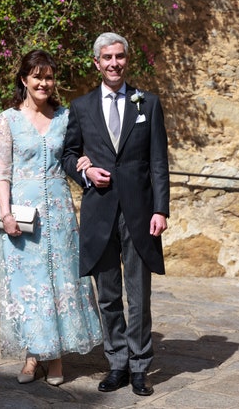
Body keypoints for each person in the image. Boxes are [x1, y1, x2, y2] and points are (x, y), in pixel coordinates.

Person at [62, 32, 169, 396]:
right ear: (96, 63)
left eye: (119, 56)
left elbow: (158, 162)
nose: (113, 63)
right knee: (107, 296)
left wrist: (161, 209)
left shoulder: (148, 103)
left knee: (139, 296)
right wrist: (86, 173)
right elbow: (67, 155)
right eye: (106, 57)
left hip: (140, 216)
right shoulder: (80, 107)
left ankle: (140, 366)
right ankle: (118, 364)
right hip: (99, 214)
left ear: (127, 60)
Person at [0, 49, 102, 386]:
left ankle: (54, 360)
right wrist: (6, 213)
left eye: (49, 77)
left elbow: (74, 156)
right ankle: (31, 357)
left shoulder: (66, 117)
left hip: (59, 215)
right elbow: (1, 171)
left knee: (58, 284)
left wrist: (83, 162)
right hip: (21, 216)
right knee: (28, 288)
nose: (44, 83)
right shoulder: (7, 119)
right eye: (37, 76)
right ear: (24, 79)